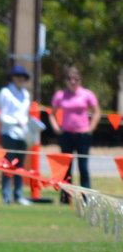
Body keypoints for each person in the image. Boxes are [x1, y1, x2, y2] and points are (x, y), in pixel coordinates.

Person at [49, 65, 101, 202]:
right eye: (69, 79)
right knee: (66, 167)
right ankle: (66, 198)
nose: (73, 81)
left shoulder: (87, 94)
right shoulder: (60, 95)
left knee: (83, 167)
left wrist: (91, 128)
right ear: (66, 80)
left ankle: (86, 198)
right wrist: (56, 128)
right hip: (66, 135)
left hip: (83, 135)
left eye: (76, 79)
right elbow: (52, 114)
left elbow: (97, 112)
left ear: (80, 80)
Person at [0, 65, 33, 205]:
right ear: (12, 78)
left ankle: (18, 195)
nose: (20, 79)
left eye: (22, 77)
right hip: (9, 133)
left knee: (20, 166)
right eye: (17, 76)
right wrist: (16, 122)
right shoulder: (5, 92)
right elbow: (2, 116)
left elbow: (25, 115)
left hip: (22, 134)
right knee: (8, 165)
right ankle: (6, 196)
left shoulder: (26, 94)